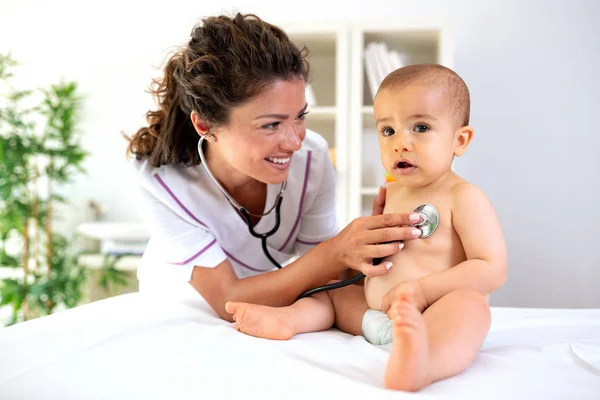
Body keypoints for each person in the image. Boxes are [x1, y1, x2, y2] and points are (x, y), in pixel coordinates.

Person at [225, 64, 508, 392]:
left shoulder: (463, 196)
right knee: (331, 291)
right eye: (388, 131)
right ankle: (287, 320)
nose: (401, 143)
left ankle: (424, 362)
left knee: (469, 307)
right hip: (374, 315)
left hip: (432, 316)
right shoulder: (393, 193)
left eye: (420, 127)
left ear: (460, 140)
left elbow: (492, 269)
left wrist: (423, 292)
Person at [126, 13, 422, 322]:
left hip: (268, 300)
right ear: (205, 124)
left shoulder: (313, 158)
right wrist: (335, 251)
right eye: (271, 125)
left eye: (300, 116)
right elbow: (227, 299)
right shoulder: (161, 183)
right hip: (180, 307)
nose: (294, 142)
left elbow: (321, 271)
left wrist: (372, 245)